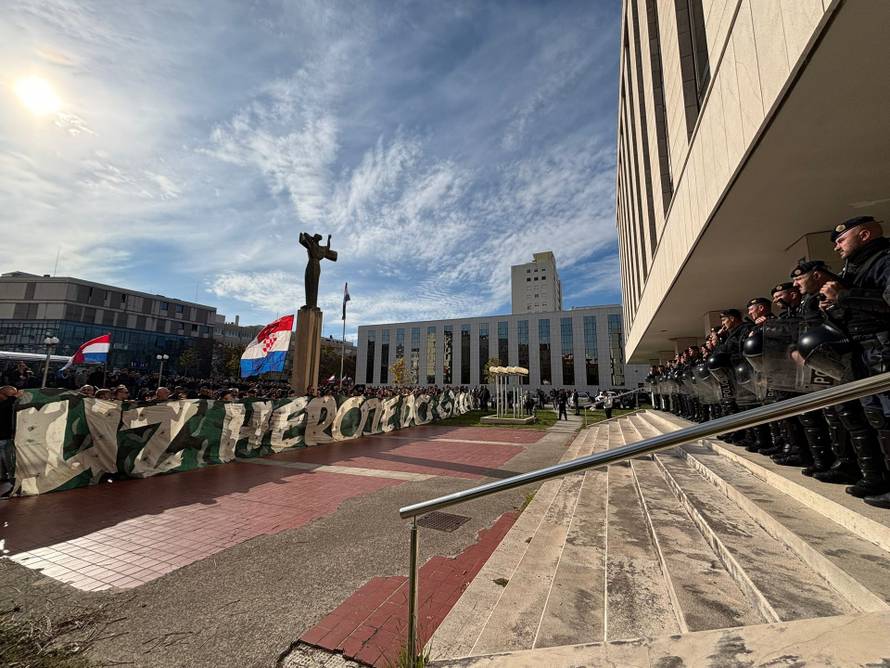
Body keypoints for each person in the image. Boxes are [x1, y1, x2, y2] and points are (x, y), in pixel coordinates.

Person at [820, 215, 890, 504]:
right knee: (876, 418)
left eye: (841, 239)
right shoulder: (854, 269)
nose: (836, 247)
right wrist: (833, 306)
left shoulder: (884, 260)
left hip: (882, 347)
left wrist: (845, 297)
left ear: (864, 235)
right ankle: (881, 478)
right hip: (863, 352)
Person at [0, 385, 22, 497]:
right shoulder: (7, 404)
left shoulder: (8, 404)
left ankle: (5, 478)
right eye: (11, 395)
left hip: (4, 438)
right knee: (10, 464)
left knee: (5, 463)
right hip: (5, 439)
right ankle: (15, 487)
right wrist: (13, 398)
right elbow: (5, 407)